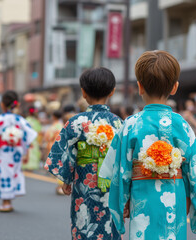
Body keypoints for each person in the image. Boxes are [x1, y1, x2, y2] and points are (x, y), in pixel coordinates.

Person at [99, 51, 196, 239]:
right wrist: (195, 206)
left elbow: (119, 170)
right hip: (175, 197)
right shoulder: (182, 124)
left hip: (142, 197)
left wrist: (122, 201)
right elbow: (194, 170)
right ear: (174, 88)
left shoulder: (130, 125)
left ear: (139, 87)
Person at [45, 67, 123, 240]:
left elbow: (65, 152)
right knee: (110, 224)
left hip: (84, 181)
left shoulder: (75, 122)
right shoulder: (119, 124)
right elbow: (125, 157)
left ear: (83, 92)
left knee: (84, 221)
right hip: (112, 184)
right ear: (112, 92)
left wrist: (65, 179)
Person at [0, 91, 37, 212]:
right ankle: (9, 199)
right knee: (14, 172)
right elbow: (28, 136)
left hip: (3, 151)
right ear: (16, 104)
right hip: (16, 151)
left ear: (2, 104)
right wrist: (25, 152)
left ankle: (6, 202)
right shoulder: (20, 120)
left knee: (4, 174)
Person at [44, 110, 64, 195]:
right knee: (60, 166)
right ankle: (60, 186)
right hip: (61, 146)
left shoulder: (53, 126)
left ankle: (60, 187)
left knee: (56, 167)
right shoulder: (62, 125)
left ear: (54, 116)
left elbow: (47, 136)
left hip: (53, 146)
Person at [22, 107, 42, 171]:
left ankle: (25, 165)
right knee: (33, 153)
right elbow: (39, 131)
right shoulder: (36, 121)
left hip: (27, 140)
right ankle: (31, 167)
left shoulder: (25, 120)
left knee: (27, 152)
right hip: (34, 140)